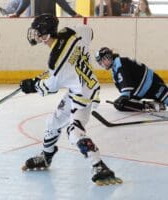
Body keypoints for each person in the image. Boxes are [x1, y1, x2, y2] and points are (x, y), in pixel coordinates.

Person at [19, 14, 121, 185]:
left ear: (45, 34)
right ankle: (46, 156)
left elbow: (49, 87)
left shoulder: (55, 63)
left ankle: (98, 165)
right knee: (53, 122)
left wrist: (32, 86)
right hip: (80, 86)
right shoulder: (72, 32)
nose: (35, 35)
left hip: (83, 95)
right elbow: (89, 31)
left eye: (37, 32)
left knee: (74, 131)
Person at [95, 47, 167, 112]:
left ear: (110, 56)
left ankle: (157, 103)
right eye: (100, 62)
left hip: (154, 86)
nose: (103, 64)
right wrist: (124, 99)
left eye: (104, 59)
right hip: (141, 93)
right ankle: (149, 106)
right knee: (118, 104)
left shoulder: (120, 62)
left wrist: (125, 95)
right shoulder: (114, 70)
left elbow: (126, 82)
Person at [9, 0, 81, 18]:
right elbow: (25, 1)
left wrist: (73, 14)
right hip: (33, 18)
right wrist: (17, 13)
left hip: (49, 19)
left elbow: (61, 2)